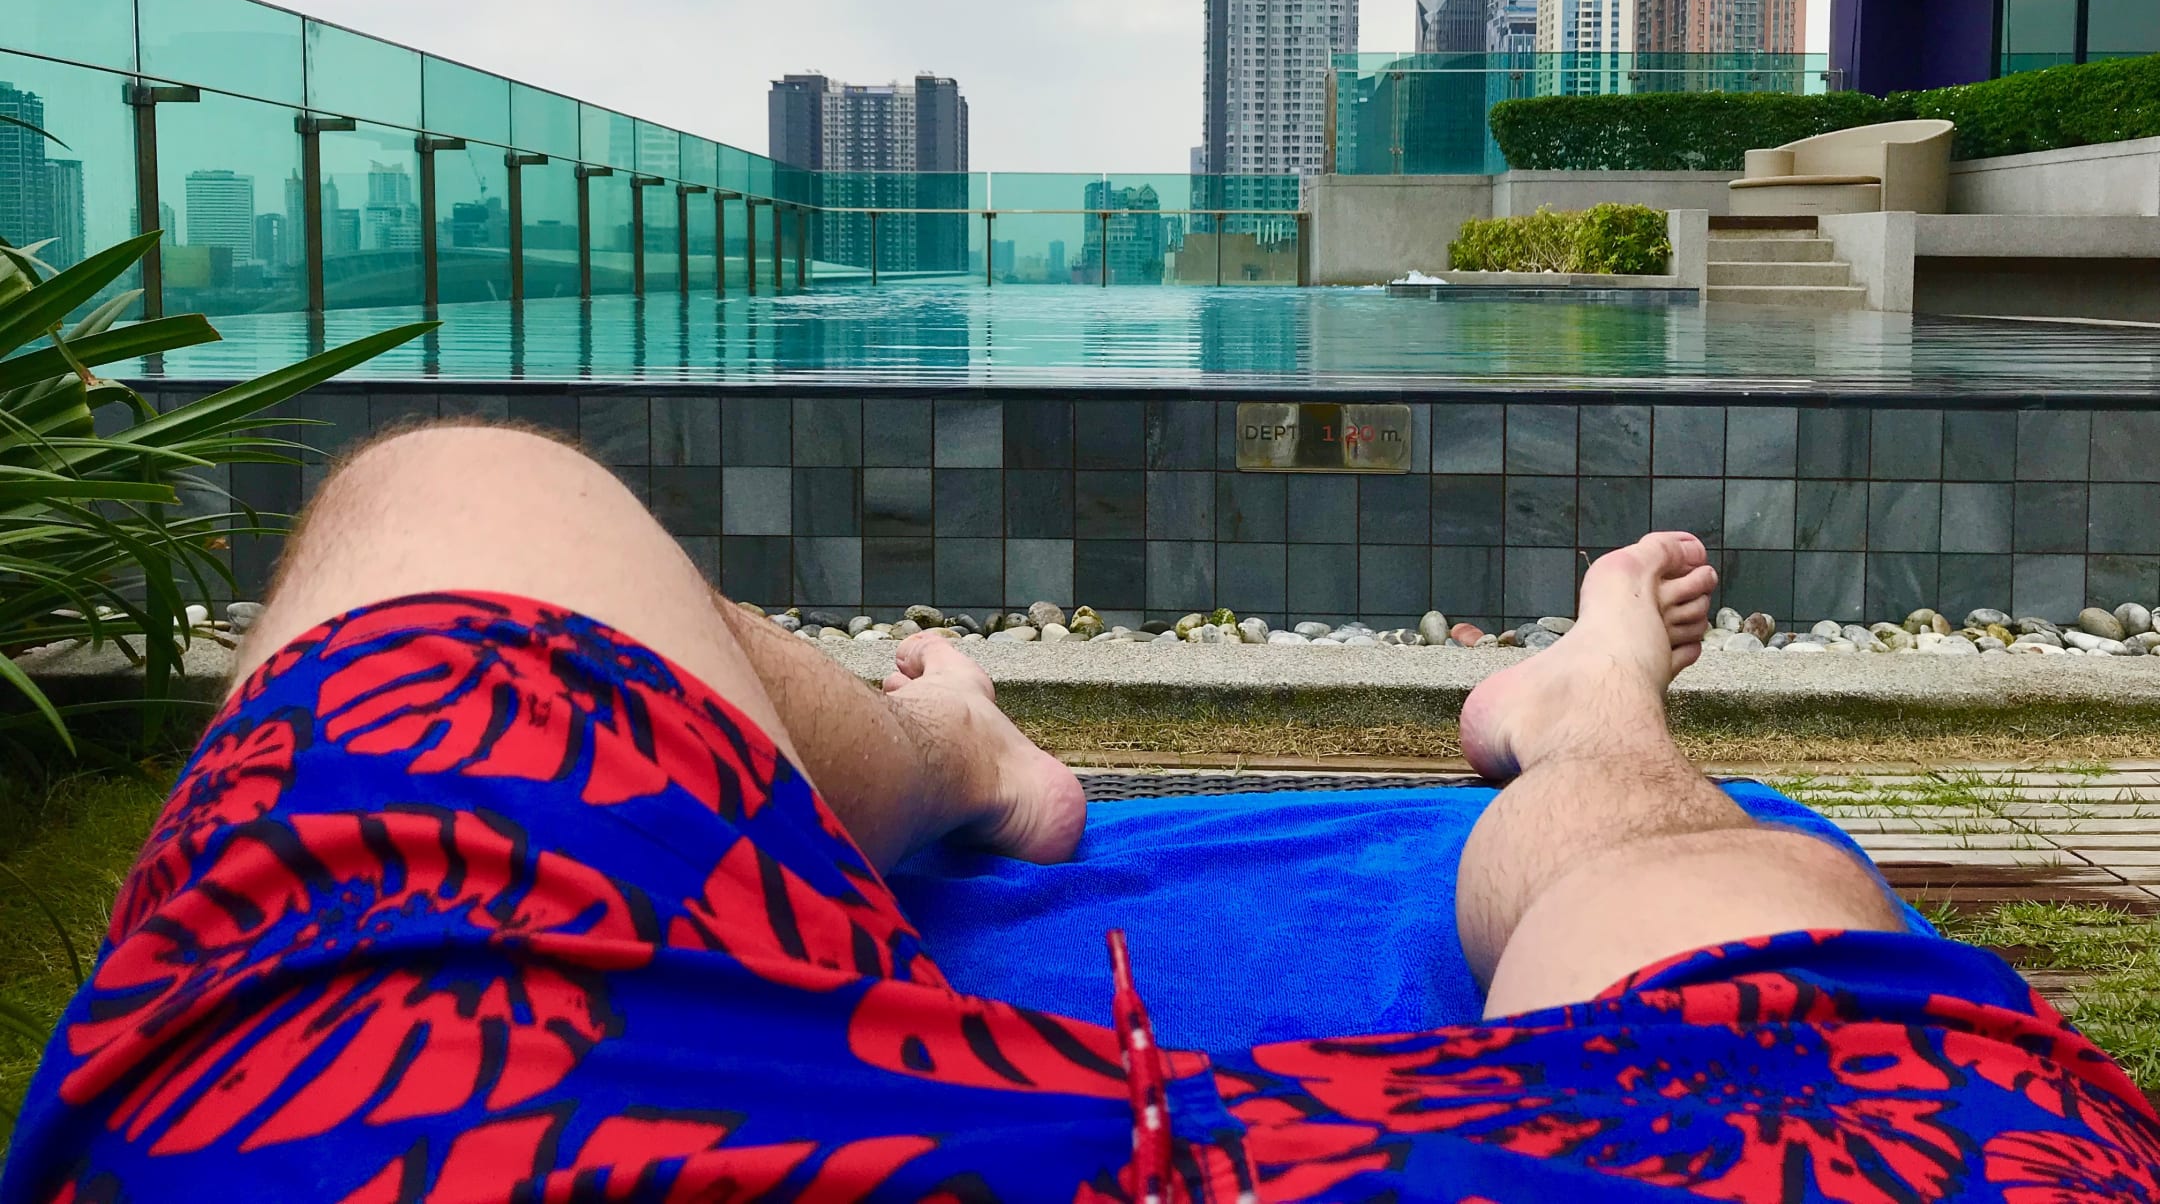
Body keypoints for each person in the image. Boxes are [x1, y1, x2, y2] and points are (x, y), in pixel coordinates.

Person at [7, 421, 2158, 1202]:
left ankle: (961, 760)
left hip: (476, 1142)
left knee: (461, 501)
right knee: (1699, 883)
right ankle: (1583, 704)